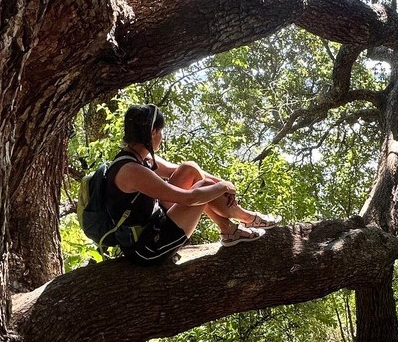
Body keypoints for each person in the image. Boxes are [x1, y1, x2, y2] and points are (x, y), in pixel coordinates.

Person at [107, 103, 281, 264]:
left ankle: (232, 227)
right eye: (161, 131)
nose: (162, 137)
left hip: (152, 224)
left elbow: (182, 171)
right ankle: (247, 219)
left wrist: (222, 184)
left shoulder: (136, 155)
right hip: (147, 248)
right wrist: (222, 187)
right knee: (204, 188)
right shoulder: (132, 170)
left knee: (189, 169)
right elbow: (189, 198)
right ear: (153, 132)